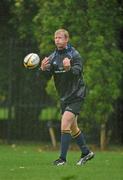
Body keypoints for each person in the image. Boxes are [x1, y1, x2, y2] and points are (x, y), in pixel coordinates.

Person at [40, 29, 94, 166]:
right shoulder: (52, 57)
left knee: (65, 123)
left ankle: (62, 159)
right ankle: (86, 152)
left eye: (60, 37)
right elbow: (46, 77)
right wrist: (42, 69)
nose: (57, 40)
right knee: (73, 127)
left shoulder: (74, 54)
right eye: (55, 37)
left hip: (77, 94)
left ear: (66, 39)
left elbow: (77, 72)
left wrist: (69, 68)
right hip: (64, 97)